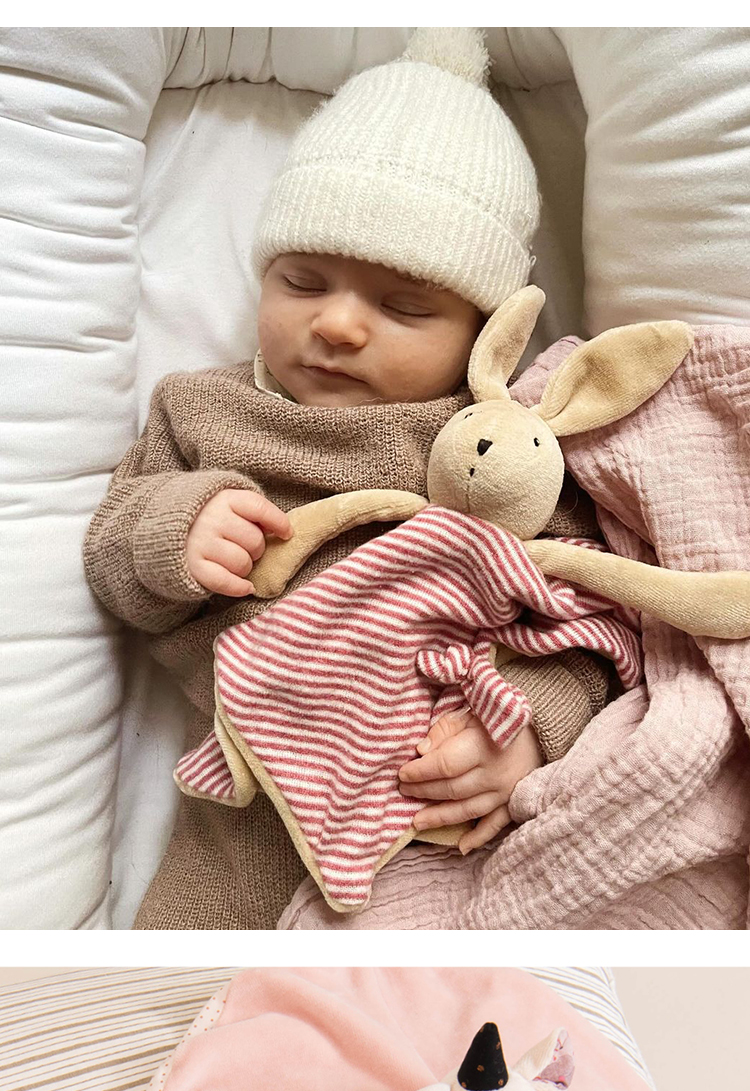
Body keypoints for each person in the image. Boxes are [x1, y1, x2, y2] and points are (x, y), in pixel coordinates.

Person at [83, 28, 614, 929]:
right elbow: (111, 548)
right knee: (193, 950)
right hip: (253, 802)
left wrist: (531, 725)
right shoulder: (202, 411)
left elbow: (588, 607)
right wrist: (179, 527)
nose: (336, 324)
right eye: (302, 280)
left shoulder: (491, 444)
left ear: (487, 333)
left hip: (448, 797)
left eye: (403, 306)